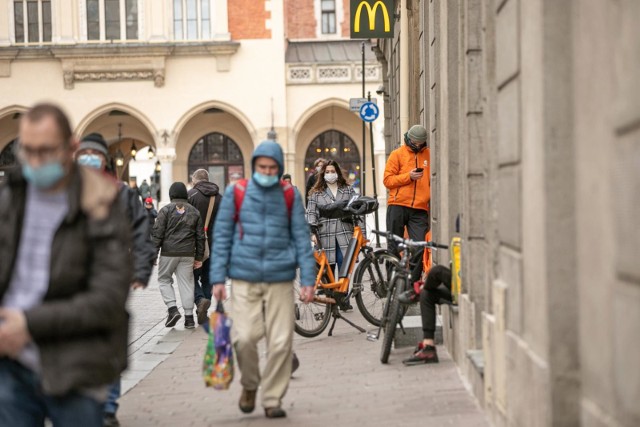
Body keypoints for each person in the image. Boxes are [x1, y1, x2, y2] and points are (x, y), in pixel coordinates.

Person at [0, 103, 131, 426]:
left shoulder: (101, 201)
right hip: (10, 365)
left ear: (71, 147)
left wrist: (29, 324)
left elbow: (107, 300)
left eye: (45, 151)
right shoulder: (9, 196)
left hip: (77, 365)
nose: (35, 161)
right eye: (27, 151)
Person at [210, 140, 315, 419]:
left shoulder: (290, 195)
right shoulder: (237, 191)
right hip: (244, 276)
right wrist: (217, 278)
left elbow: (301, 237)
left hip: (280, 277)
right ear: (254, 166)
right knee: (244, 338)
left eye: (272, 168)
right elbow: (221, 236)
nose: (266, 172)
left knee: (281, 342)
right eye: (262, 167)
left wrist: (308, 279)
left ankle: (271, 398)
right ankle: (250, 385)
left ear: (279, 169)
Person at [75, 132, 156, 426]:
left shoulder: (121, 192)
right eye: (83, 154)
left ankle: (108, 406)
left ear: (104, 161)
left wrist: (142, 269)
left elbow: (141, 230)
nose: (88, 159)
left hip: (112, 276)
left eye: (94, 155)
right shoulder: (65, 191)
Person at [152, 182, 205, 329]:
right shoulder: (194, 211)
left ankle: (172, 309)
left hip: (169, 252)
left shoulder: (165, 210)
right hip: (188, 253)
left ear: (171, 195)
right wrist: (199, 257)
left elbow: (157, 234)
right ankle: (189, 319)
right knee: (187, 283)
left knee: (164, 279)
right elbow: (201, 236)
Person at [306, 160, 357, 310]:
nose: (330, 174)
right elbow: (311, 213)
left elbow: (357, 211)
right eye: (327, 172)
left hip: (344, 233)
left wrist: (362, 236)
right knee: (329, 268)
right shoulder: (316, 193)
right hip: (325, 234)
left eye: (332, 171)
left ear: (338, 172)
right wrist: (312, 232)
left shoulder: (348, 190)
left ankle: (343, 298)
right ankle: (331, 301)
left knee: (344, 266)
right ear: (323, 174)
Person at [383, 124, 430, 279]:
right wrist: (408, 177)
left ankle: (412, 286)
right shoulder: (397, 154)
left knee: (418, 247)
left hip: (419, 208)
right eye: (414, 143)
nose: (417, 146)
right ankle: (392, 283)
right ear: (409, 139)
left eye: (420, 143)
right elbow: (387, 180)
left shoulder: (429, 155)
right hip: (397, 205)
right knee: (393, 247)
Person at [187, 169, 222, 325]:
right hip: (215, 245)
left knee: (191, 277)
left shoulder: (190, 196)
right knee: (208, 278)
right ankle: (204, 310)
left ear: (195, 180)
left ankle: (200, 300)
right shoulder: (220, 198)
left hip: (195, 246)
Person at [400, 265, 452, 365]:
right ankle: (429, 347)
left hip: (467, 284)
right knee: (426, 295)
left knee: (437, 271)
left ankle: (417, 290)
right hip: (457, 284)